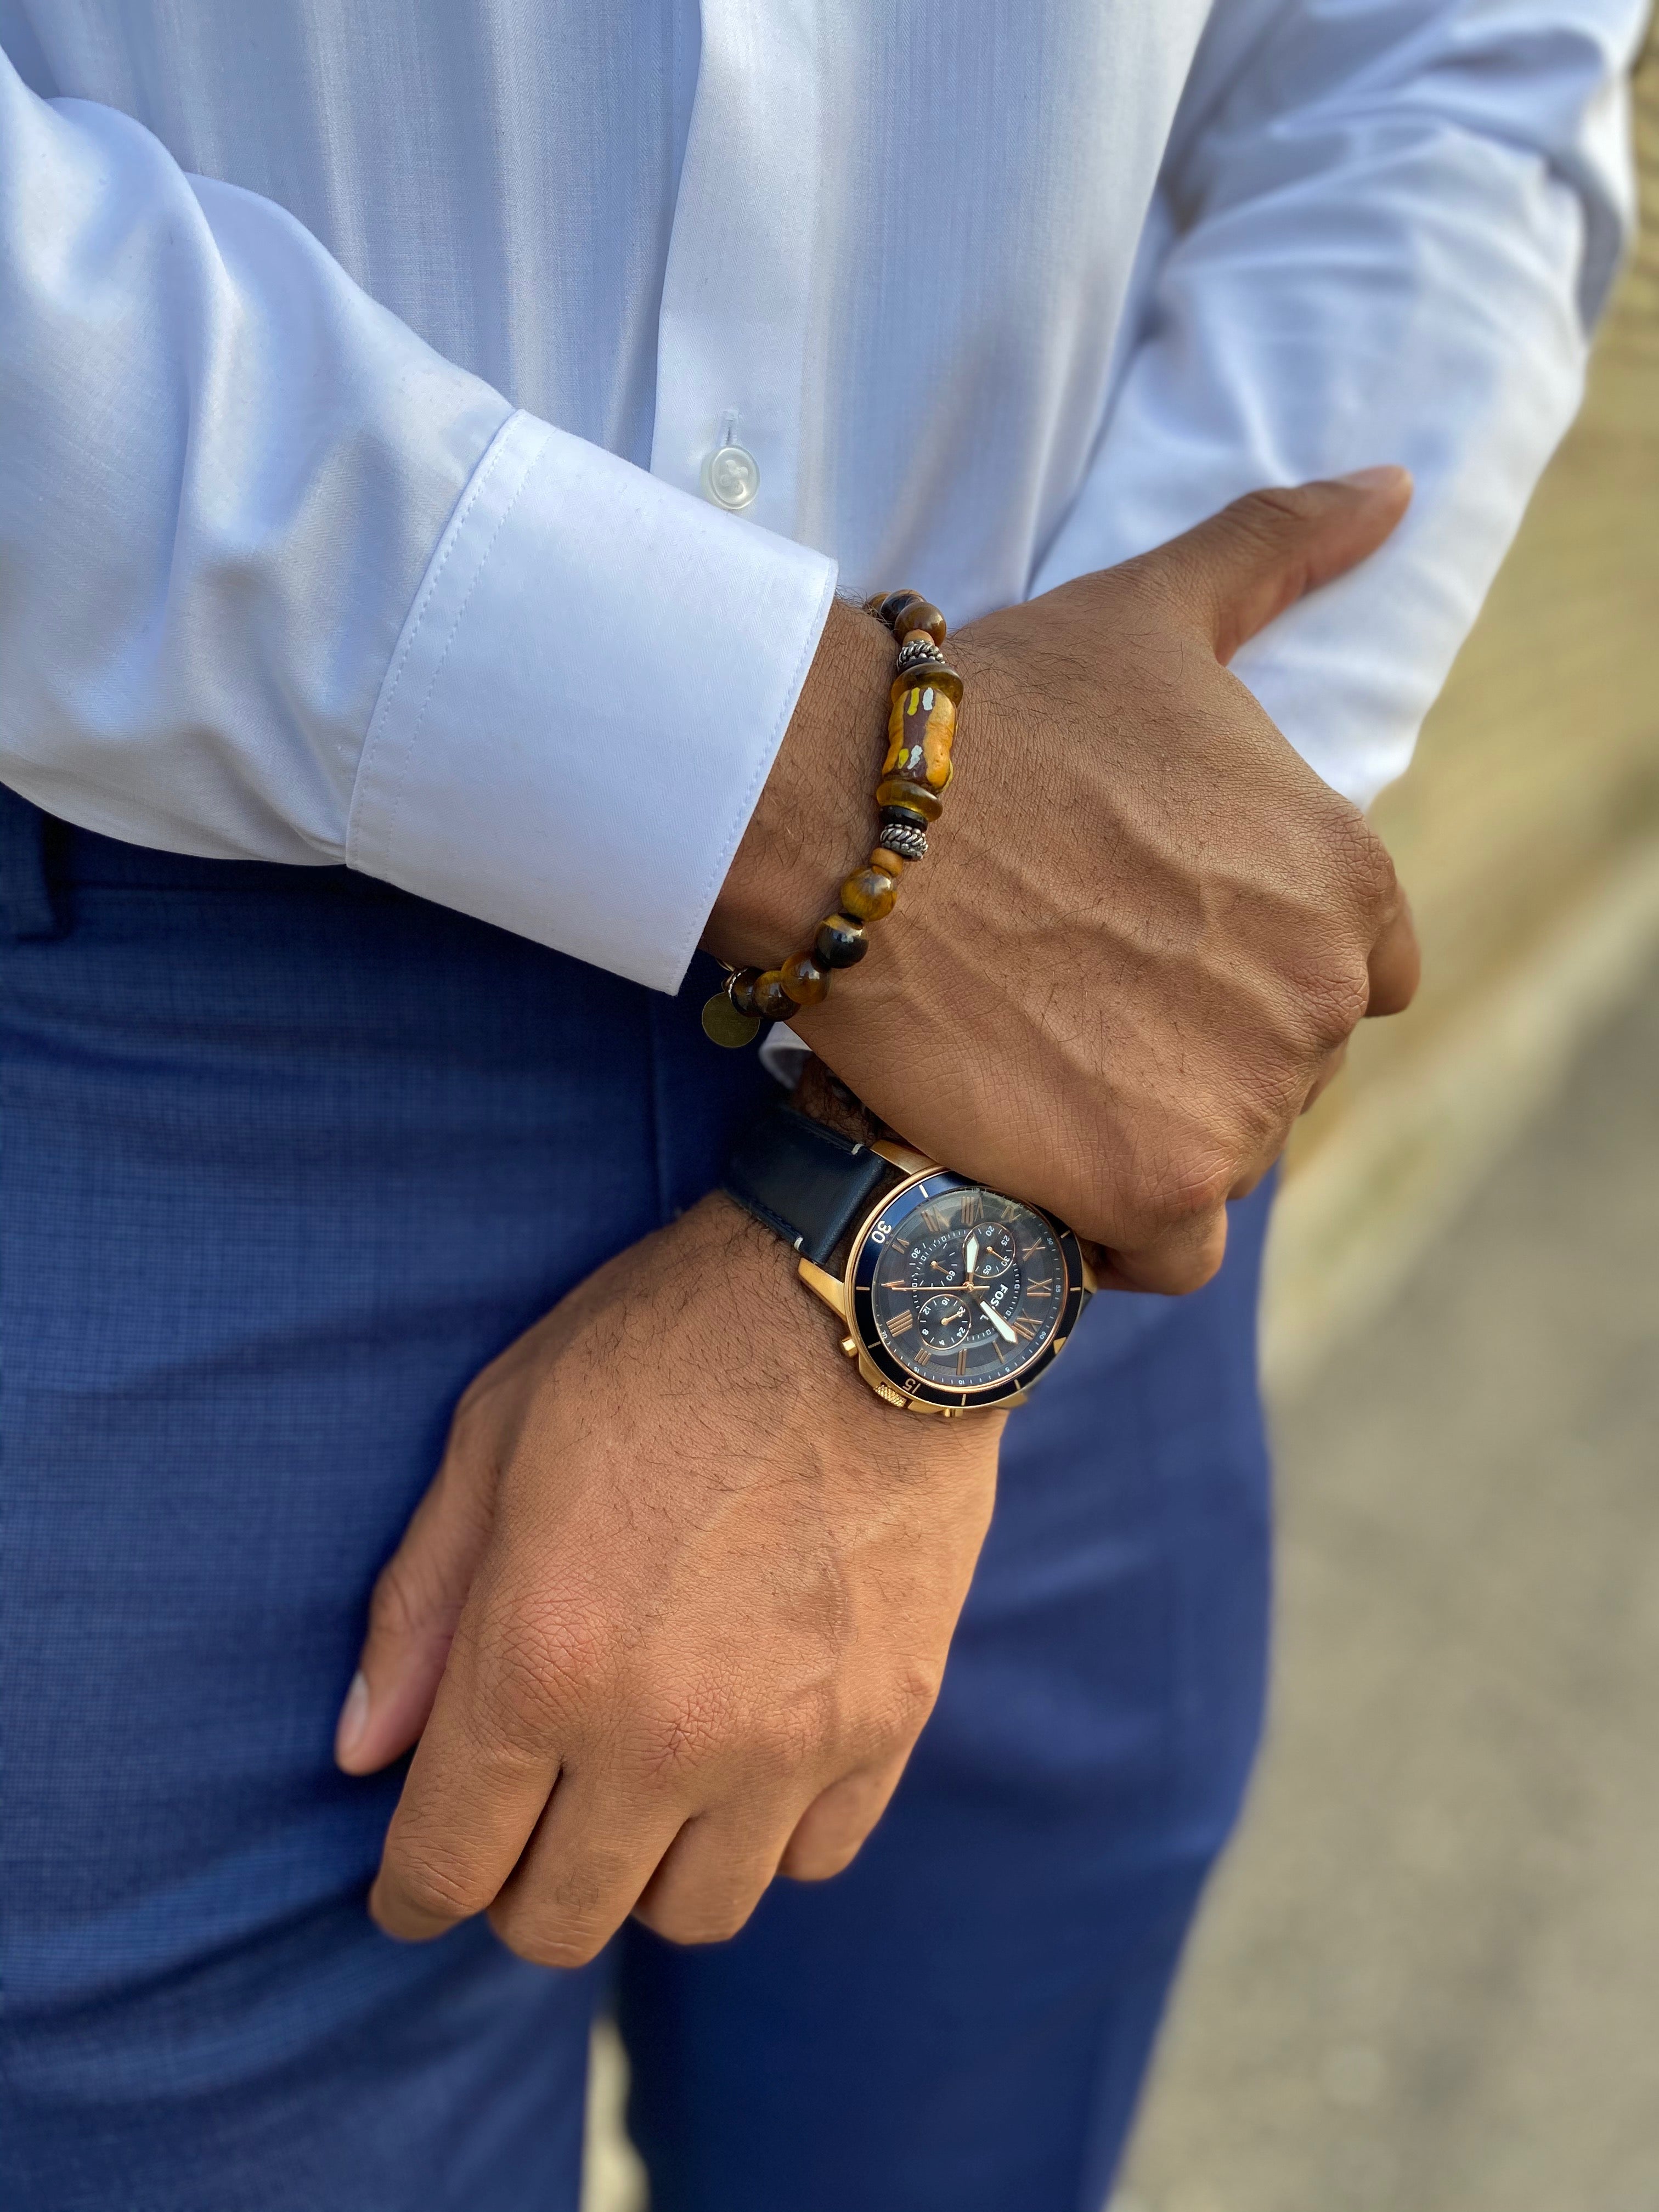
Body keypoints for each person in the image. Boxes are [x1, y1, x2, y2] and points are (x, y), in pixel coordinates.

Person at [0, 4, 1641, 2208]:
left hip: (1068, 1154)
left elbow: (1440, 74)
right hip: (175, 1059)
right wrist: (837, 782)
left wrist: (1014, 1078)